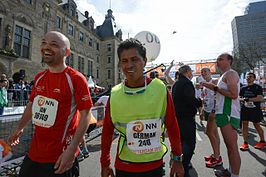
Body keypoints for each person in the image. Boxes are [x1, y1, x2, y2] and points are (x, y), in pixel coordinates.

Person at [8, 31, 93, 177]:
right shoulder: (39, 77)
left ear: (66, 52)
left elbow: (86, 115)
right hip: (34, 155)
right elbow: (31, 105)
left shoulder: (76, 79)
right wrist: (19, 128)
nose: (46, 47)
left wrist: (71, 150)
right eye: (44, 43)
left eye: (53, 44)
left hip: (60, 157)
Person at [100, 38, 184, 177]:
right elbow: (107, 130)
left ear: (144, 61)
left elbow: (172, 125)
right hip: (124, 166)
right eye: (124, 61)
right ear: (120, 64)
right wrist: (104, 162)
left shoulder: (159, 88)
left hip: (154, 165)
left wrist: (177, 158)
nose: (129, 65)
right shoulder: (114, 94)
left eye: (134, 59)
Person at [202, 53, 241, 177]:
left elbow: (233, 94)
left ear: (229, 61)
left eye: (220, 59)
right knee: (229, 147)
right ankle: (230, 171)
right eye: (217, 59)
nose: (217, 61)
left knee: (232, 148)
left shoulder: (231, 74)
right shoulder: (223, 76)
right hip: (222, 113)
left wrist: (215, 88)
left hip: (228, 113)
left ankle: (234, 174)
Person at [172, 65, 202, 177]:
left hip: (178, 118)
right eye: (191, 71)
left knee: (181, 143)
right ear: (187, 72)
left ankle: (179, 165)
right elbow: (189, 99)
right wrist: (199, 102)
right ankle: (183, 167)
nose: (192, 74)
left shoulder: (177, 83)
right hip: (186, 118)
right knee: (189, 143)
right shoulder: (186, 83)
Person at [199, 68, 222, 168]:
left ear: (210, 72)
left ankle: (217, 158)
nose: (203, 74)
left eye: (205, 72)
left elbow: (218, 96)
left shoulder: (214, 81)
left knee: (209, 132)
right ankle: (216, 154)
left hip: (214, 111)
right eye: (202, 72)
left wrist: (214, 110)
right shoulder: (204, 85)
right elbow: (205, 98)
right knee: (215, 133)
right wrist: (203, 109)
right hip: (208, 110)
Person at [239, 72, 265, 151]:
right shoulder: (243, 88)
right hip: (245, 109)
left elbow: (260, 98)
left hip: (255, 110)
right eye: (247, 77)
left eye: (250, 77)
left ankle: (262, 141)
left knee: (256, 125)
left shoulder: (257, 87)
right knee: (244, 125)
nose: (248, 78)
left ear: (254, 78)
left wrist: (248, 99)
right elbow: (239, 97)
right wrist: (242, 99)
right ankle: (245, 143)